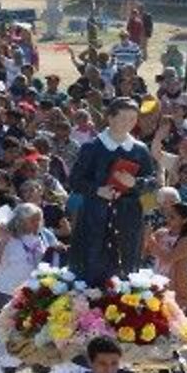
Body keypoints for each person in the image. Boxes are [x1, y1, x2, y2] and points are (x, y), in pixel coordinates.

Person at [68, 98, 157, 286]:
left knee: (125, 270)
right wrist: (97, 190)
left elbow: (152, 184)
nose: (128, 123)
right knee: (91, 268)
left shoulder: (140, 150)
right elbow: (75, 180)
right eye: (123, 118)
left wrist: (135, 183)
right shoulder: (92, 147)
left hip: (129, 218)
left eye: (133, 119)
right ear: (110, 118)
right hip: (95, 216)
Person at [145, 202, 187, 312]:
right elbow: (145, 251)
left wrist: (150, 239)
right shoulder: (160, 233)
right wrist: (144, 236)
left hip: (178, 291)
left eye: (172, 217)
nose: (167, 219)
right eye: (167, 215)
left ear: (184, 220)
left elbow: (168, 258)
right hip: (157, 285)